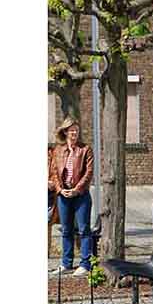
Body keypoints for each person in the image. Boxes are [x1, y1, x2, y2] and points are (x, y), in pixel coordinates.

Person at [49, 117, 94, 276]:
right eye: (71, 130)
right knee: (66, 230)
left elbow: (88, 173)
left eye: (76, 130)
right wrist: (60, 190)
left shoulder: (85, 149)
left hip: (81, 195)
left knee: (84, 230)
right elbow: (54, 172)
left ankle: (85, 264)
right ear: (66, 132)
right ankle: (66, 263)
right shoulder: (58, 150)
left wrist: (76, 189)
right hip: (63, 195)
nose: (74, 133)